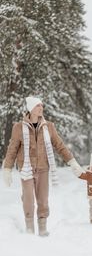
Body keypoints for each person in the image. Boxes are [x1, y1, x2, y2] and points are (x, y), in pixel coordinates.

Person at [3, 96, 83, 236]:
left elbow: (60, 146)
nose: (41, 108)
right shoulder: (18, 127)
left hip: (43, 168)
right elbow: (12, 149)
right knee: (28, 198)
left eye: (42, 105)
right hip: (26, 169)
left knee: (43, 199)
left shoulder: (48, 126)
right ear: (30, 109)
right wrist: (7, 169)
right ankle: (29, 227)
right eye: (38, 106)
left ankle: (42, 227)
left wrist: (72, 162)